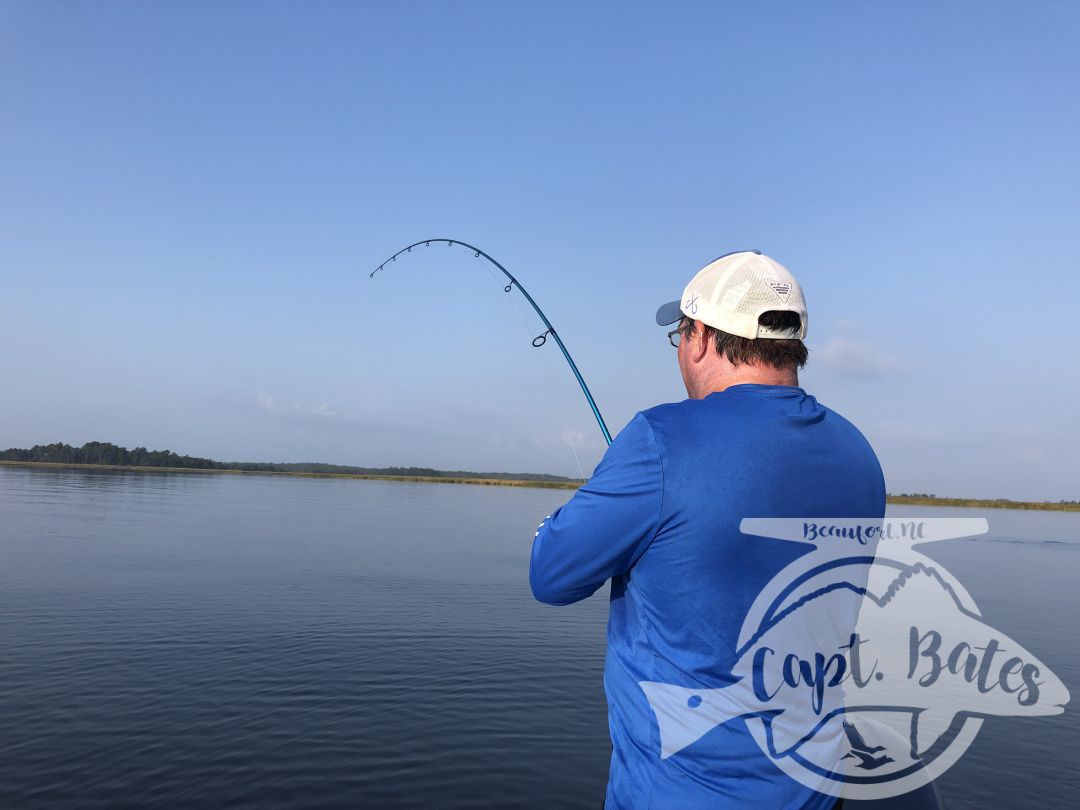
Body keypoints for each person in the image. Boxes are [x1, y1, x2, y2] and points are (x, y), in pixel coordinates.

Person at [529, 250, 887, 809]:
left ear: (698, 337)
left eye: (679, 335)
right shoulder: (858, 453)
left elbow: (551, 577)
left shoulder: (660, 439)